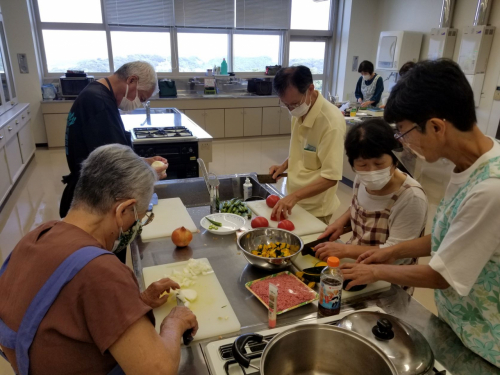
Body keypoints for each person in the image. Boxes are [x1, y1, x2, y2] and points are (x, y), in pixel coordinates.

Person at [342, 59, 500, 367]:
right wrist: (393, 251)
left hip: (489, 339)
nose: (402, 142)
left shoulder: (490, 189)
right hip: (461, 322)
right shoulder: (468, 167)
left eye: (403, 132)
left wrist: (375, 271)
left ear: (437, 127)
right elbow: (449, 238)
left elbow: (441, 275)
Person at [0, 144, 198, 375]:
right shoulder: (103, 271)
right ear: (123, 210)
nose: (134, 227)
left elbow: (63, 312)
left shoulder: (37, 235)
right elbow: (158, 370)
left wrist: (135, 302)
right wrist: (173, 322)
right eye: (138, 218)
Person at [60, 61, 168, 220]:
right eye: (141, 97)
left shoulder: (96, 93)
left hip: (90, 189)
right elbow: (114, 169)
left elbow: (110, 150)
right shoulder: (99, 104)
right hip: (94, 200)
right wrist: (150, 173)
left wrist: (142, 161)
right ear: (131, 80)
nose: (139, 103)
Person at [314, 118, 427, 264]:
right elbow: (360, 205)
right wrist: (340, 222)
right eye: (362, 165)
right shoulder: (361, 179)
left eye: (379, 164)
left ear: (395, 159)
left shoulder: (411, 197)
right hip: (355, 264)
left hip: (387, 276)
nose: (371, 171)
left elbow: (397, 252)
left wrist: (346, 250)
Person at [269, 66, 346, 224]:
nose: (291, 109)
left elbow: (331, 177)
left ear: (311, 89)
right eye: (286, 104)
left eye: (294, 104)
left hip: (316, 208)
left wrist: (295, 196)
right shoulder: (299, 111)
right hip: (294, 200)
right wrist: (284, 165)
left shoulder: (331, 123)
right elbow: (304, 150)